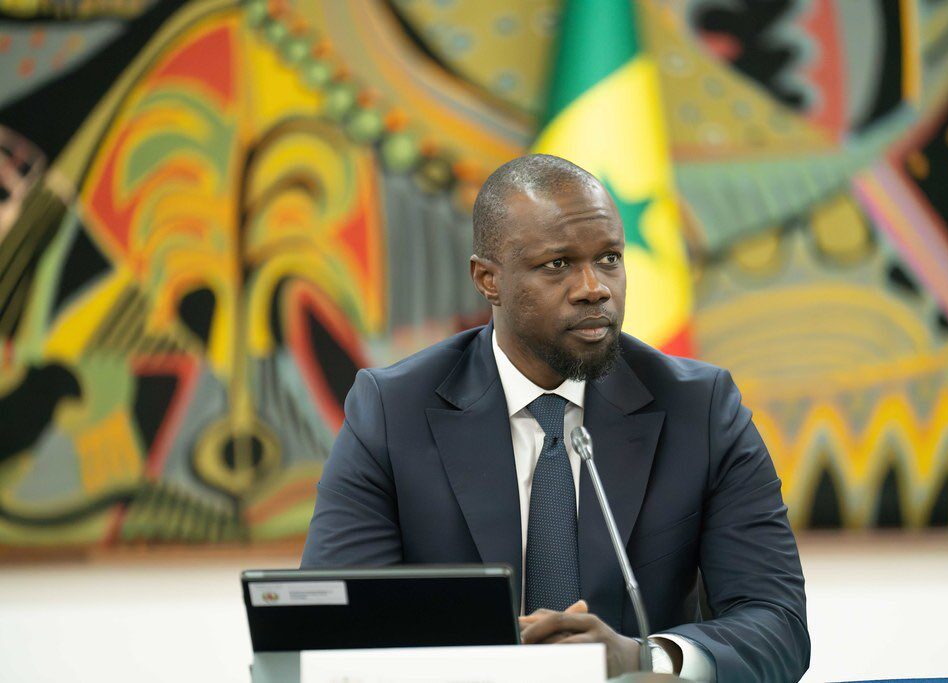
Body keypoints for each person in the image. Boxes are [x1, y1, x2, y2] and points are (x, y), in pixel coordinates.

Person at [302, 154, 809, 681]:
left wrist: (642, 658)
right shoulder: (393, 411)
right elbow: (332, 625)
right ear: (488, 280)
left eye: (609, 258)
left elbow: (778, 624)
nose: (595, 287)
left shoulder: (699, 409)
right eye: (557, 264)